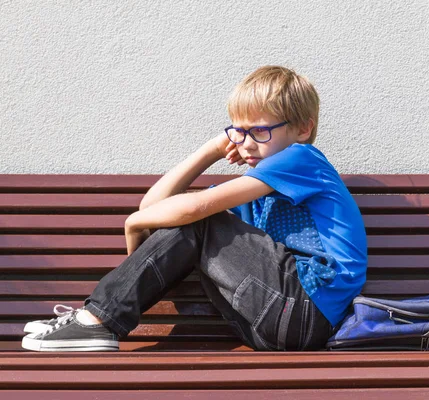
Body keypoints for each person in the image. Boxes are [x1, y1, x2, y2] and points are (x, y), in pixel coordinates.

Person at [21, 65, 368, 352]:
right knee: (192, 215)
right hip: (270, 326)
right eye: (238, 132)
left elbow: (191, 211)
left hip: (305, 309)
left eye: (259, 131)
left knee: (200, 216)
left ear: (303, 129)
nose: (245, 143)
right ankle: (98, 319)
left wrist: (133, 223)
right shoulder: (256, 192)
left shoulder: (303, 159)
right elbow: (156, 207)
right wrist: (212, 149)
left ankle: (99, 320)